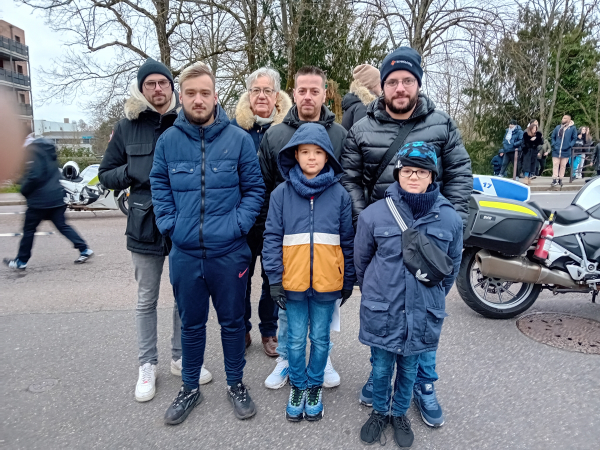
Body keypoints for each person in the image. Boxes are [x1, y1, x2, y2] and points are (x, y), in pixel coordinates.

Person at [340, 46, 472, 428]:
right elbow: (350, 178)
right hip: (383, 229)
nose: (400, 87)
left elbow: (460, 174)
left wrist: (452, 223)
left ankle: (424, 386)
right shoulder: (362, 127)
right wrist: (368, 219)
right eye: (393, 81)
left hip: (431, 231)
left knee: (424, 315)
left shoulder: (442, 124)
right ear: (383, 86)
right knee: (388, 317)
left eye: (407, 81)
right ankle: (379, 381)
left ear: (417, 83)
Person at [150, 63, 264, 425]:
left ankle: (235, 384)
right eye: (190, 93)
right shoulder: (168, 141)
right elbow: (159, 187)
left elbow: (255, 190)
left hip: (229, 254)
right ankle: (189, 388)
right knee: (191, 324)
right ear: (180, 97)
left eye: (204, 93)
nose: (198, 100)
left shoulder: (239, 140)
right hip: (185, 254)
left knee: (232, 324)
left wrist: (236, 226)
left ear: (216, 97)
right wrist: (172, 226)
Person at [98, 58, 211, 403]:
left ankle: (180, 357)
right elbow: (105, 174)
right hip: (145, 222)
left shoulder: (185, 120)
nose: (158, 89)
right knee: (146, 298)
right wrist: (132, 174)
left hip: (182, 220)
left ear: (172, 87)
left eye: (164, 83)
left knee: (183, 295)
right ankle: (147, 364)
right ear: (142, 88)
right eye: (151, 84)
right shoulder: (127, 125)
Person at [355, 142, 462, 448]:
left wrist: (432, 298)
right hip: (383, 309)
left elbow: (451, 266)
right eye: (408, 170)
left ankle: (399, 413)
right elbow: (362, 262)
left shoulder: (450, 219)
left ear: (432, 176)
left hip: (423, 311)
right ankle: (379, 412)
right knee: (380, 365)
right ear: (398, 173)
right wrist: (376, 292)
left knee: (410, 367)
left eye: (422, 171)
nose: (414, 176)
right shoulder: (374, 215)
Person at [259, 66, 348, 391]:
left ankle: (322, 360)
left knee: (323, 311)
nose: (308, 96)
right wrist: (270, 257)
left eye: (315, 90)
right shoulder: (276, 134)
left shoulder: (339, 134)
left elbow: (346, 185)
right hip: (289, 244)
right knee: (288, 309)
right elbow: (264, 188)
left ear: (325, 93)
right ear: (293, 93)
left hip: (325, 245)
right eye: (302, 90)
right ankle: (286, 359)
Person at [262, 122, 355, 422]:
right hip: (293, 282)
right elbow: (272, 237)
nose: (311, 158)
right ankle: (299, 386)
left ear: (327, 156)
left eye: (318, 152)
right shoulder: (280, 194)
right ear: (295, 155)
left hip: (328, 282)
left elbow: (348, 240)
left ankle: (315, 384)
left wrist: (348, 278)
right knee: (296, 338)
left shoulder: (339, 195)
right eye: (305, 152)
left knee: (321, 339)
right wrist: (275, 279)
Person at [231, 67, 292, 356]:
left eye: (268, 90)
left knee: (272, 278)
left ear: (277, 96)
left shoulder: (287, 131)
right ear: (248, 94)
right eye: (256, 90)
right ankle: (242, 329)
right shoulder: (233, 129)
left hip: (274, 219)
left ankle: (269, 331)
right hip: (241, 217)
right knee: (240, 277)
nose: (262, 96)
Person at [3, 129, 93, 270]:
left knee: (29, 230)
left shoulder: (31, 151)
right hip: (56, 196)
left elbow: (35, 175)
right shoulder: (46, 149)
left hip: (40, 200)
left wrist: (23, 189)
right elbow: (46, 172)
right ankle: (84, 249)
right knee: (62, 226)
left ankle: (21, 261)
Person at [341, 64, 382, 131]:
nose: (382, 86)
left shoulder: (354, 103)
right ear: (371, 84)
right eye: (379, 82)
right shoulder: (364, 106)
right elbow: (364, 137)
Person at [550, 114, 577, 187]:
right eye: (563, 118)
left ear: (568, 120)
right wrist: (554, 144)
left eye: (564, 118)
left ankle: (560, 179)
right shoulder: (558, 127)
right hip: (556, 150)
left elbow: (574, 138)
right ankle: (554, 179)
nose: (563, 119)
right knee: (555, 165)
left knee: (563, 166)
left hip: (566, 150)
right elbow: (553, 137)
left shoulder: (572, 128)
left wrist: (570, 145)